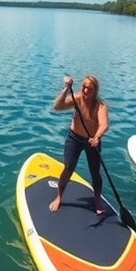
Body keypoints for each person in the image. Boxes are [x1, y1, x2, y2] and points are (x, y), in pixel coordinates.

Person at [49, 75, 108, 215]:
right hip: (74, 138)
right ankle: (59, 197)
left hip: (92, 141)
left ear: (95, 90)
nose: (86, 91)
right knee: (68, 167)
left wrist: (97, 137)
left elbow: (104, 124)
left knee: (95, 173)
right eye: (84, 87)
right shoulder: (77, 98)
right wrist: (66, 90)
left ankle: (97, 200)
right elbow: (57, 106)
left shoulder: (100, 105)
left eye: (90, 88)